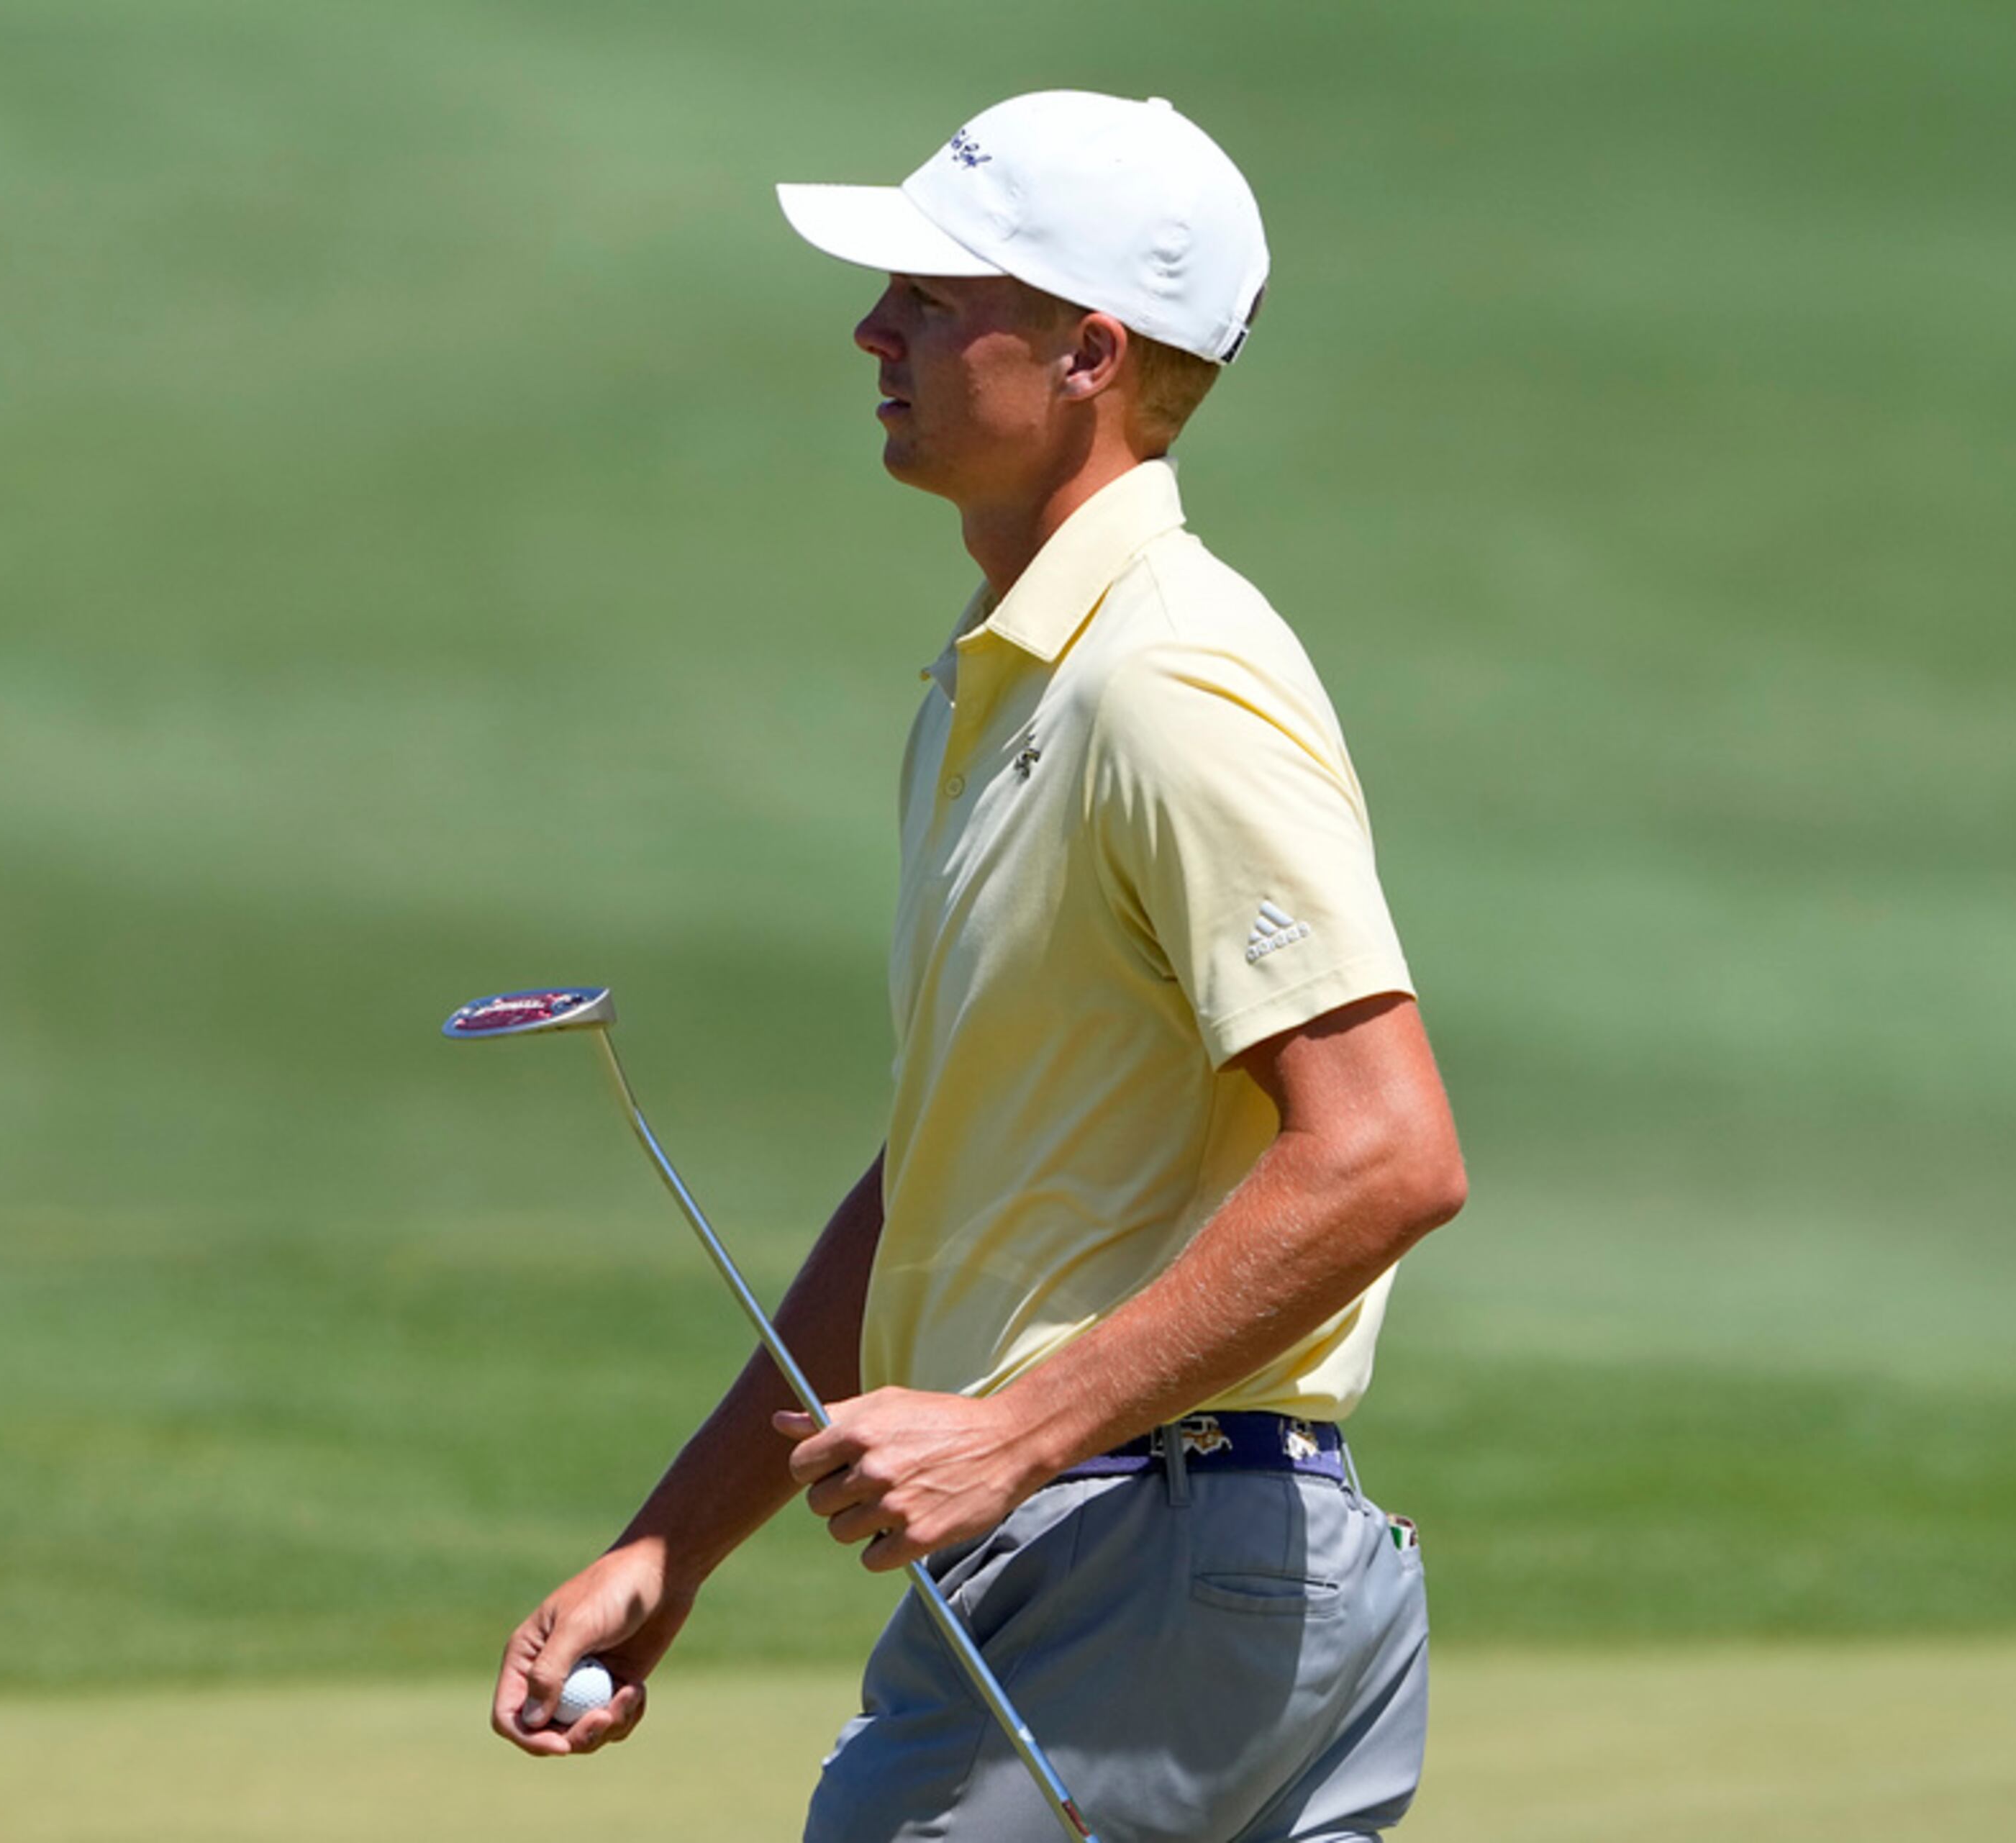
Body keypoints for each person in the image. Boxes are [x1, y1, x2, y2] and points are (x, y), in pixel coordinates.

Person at [490, 90, 1468, 1842]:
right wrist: (673, 1539)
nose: (876, 327)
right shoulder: (1006, 684)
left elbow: (1387, 1150)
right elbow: (941, 1180)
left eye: (939, 298)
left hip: (1143, 1571)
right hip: (1178, 1571)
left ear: (1089, 353)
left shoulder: (1163, 679)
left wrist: (1015, 1434)